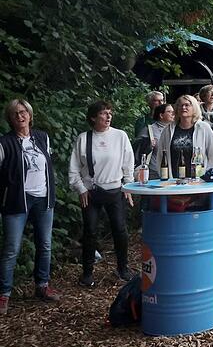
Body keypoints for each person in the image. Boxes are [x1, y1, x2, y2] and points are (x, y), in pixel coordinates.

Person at [1, 99, 60, 313]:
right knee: (11, 249)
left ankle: (42, 286)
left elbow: (48, 166)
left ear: (30, 115)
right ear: (10, 118)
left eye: (23, 112)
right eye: (15, 113)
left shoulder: (42, 137)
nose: (20, 116)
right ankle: (4, 294)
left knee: (44, 245)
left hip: (43, 198)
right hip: (17, 201)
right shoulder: (5, 142)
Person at [69, 101, 135, 286]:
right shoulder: (84, 138)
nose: (108, 116)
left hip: (115, 190)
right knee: (90, 231)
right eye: (104, 113)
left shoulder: (120, 136)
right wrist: (80, 188)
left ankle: (123, 268)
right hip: (91, 191)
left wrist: (128, 187)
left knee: (120, 230)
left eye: (109, 113)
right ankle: (87, 273)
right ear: (93, 117)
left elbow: (128, 163)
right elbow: (73, 169)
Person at [136, 103, 174, 181]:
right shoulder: (149, 130)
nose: (173, 113)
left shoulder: (175, 129)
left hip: (172, 170)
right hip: (154, 171)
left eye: (173, 111)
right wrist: (148, 145)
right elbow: (138, 149)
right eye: (169, 111)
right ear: (161, 115)